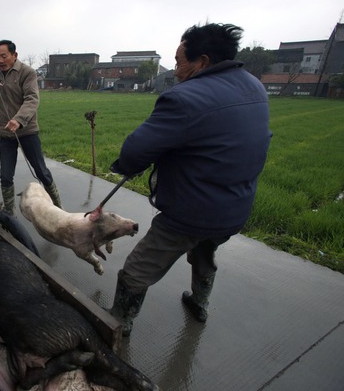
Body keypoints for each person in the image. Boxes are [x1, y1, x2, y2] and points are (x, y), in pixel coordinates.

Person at [108, 23, 272, 336]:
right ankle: (200, 302)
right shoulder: (255, 87)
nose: (177, 70)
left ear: (204, 62)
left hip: (191, 211)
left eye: (180, 61)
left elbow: (135, 150)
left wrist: (129, 165)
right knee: (204, 251)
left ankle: (118, 322)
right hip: (235, 208)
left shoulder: (186, 97)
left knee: (136, 270)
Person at [0, 40, 61, 215]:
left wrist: (18, 119)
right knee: (5, 176)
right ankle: (10, 214)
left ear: (14, 55)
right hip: (5, 134)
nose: (0, 60)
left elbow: (32, 99)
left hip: (27, 131)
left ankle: (58, 208)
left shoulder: (27, 73)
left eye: (4, 56)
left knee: (41, 171)